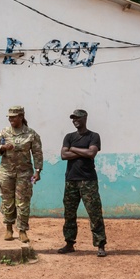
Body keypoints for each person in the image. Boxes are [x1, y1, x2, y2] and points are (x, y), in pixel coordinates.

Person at [57, 108, 107, 257]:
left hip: (88, 181)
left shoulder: (93, 136)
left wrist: (73, 149)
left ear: (85, 118)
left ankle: (100, 244)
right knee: (69, 214)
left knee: (94, 213)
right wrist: (82, 151)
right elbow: (63, 155)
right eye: (73, 118)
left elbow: (92, 153)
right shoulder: (69, 137)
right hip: (71, 180)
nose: (75, 120)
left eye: (78, 118)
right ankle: (69, 243)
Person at [0, 105, 43, 243]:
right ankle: (8, 228)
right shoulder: (3, 133)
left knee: (23, 202)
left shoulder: (31, 134)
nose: (11, 119)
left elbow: (37, 153)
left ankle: (22, 230)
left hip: (25, 174)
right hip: (6, 172)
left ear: (21, 117)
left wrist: (38, 171)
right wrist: (2, 147)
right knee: (7, 201)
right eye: (9, 117)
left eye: (14, 117)